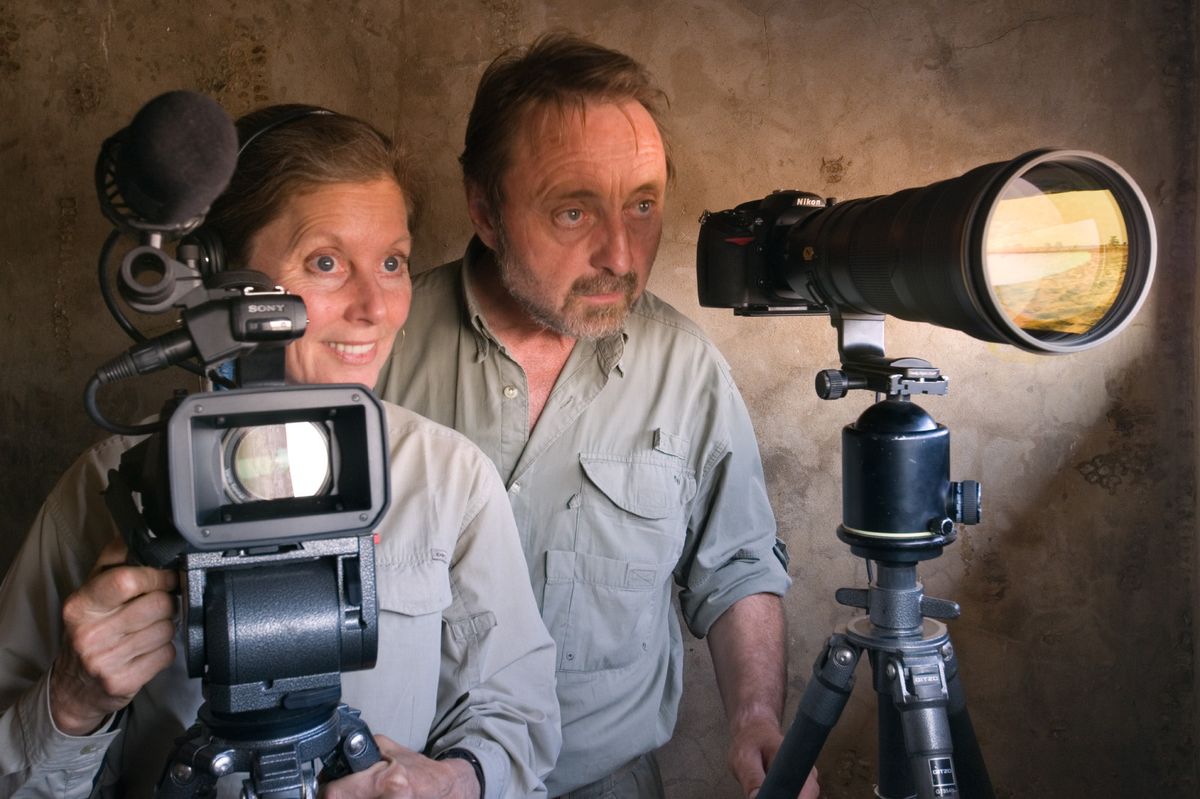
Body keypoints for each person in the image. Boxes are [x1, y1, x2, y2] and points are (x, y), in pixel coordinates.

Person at [0, 104, 560, 798]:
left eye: (391, 261)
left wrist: (454, 780)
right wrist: (70, 703)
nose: (376, 305)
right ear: (220, 274)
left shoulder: (447, 477)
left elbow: (519, 718)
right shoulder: (111, 485)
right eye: (325, 261)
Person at [376, 33, 819, 799]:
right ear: (485, 209)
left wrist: (754, 717)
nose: (621, 252)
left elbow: (737, 564)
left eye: (643, 205)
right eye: (574, 210)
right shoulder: (371, 350)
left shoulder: (684, 368)